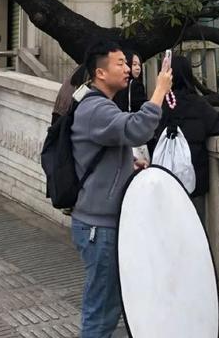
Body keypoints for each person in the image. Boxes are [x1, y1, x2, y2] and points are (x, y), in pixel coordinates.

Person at [71, 40, 173, 338]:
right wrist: (159, 91)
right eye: (120, 64)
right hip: (98, 227)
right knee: (101, 312)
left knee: (109, 305)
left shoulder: (100, 104)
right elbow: (137, 128)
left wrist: (129, 168)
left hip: (104, 222)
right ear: (100, 73)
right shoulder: (95, 108)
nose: (128, 69)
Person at [150, 54, 219, 222]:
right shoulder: (197, 104)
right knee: (193, 227)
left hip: (162, 178)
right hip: (192, 179)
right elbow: (218, 124)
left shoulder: (158, 104)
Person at [114, 50, 147, 114]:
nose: (138, 68)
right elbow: (142, 108)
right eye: (134, 64)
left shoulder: (116, 83)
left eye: (139, 65)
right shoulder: (136, 84)